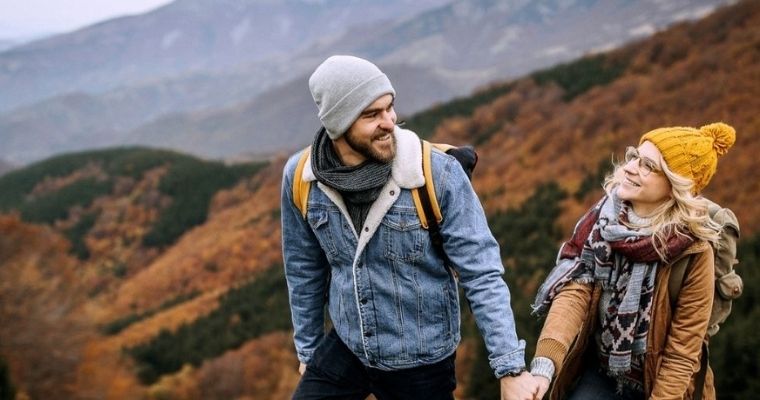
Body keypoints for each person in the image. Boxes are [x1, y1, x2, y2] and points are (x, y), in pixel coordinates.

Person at [281, 55, 538, 400]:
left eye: (390, 108)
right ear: (338, 124)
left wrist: (510, 369)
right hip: (348, 345)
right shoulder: (302, 178)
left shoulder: (437, 174)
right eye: (372, 115)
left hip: (421, 360)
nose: (389, 122)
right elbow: (303, 269)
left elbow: (482, 273)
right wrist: (309, 352)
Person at [528, 123, 736, 399]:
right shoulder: (604, 222)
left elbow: (681, 355)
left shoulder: (694, 254)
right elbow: (574, 293)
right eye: (634, 156)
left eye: (648, 165)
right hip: (602, 371)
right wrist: (545, 364)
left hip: (660, 385)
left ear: (675, 185)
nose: (629, 168)